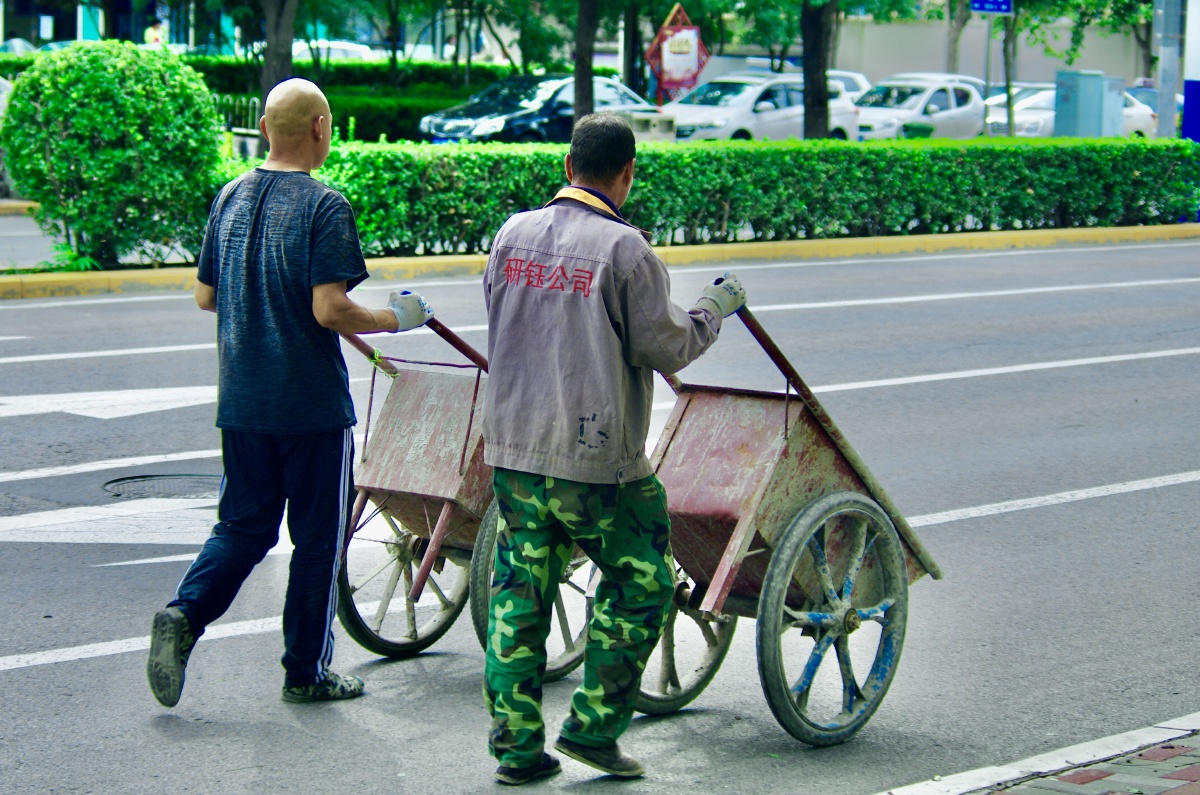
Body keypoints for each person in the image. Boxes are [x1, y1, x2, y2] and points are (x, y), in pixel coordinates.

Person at [146, 78, 434, 709]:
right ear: (321, 128)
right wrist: (395, 319)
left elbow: (207, 296)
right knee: (318, 539)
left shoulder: (231, 196)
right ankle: (305, 672)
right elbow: (330, 309)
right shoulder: (323, 206)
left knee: (243, 528)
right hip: (308, 407)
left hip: (243, 401)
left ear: (265, 127)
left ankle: (184, 614)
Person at [479, 111, 746, 785]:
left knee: (519, 588)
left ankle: (515, 748)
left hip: (512, 450)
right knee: (645, 582)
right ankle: (594, 727)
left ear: (568, 167)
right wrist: (713, 306)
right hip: (594, 461)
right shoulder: (627, 251)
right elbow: (669, 344)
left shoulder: (512, 233)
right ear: (626, 174)